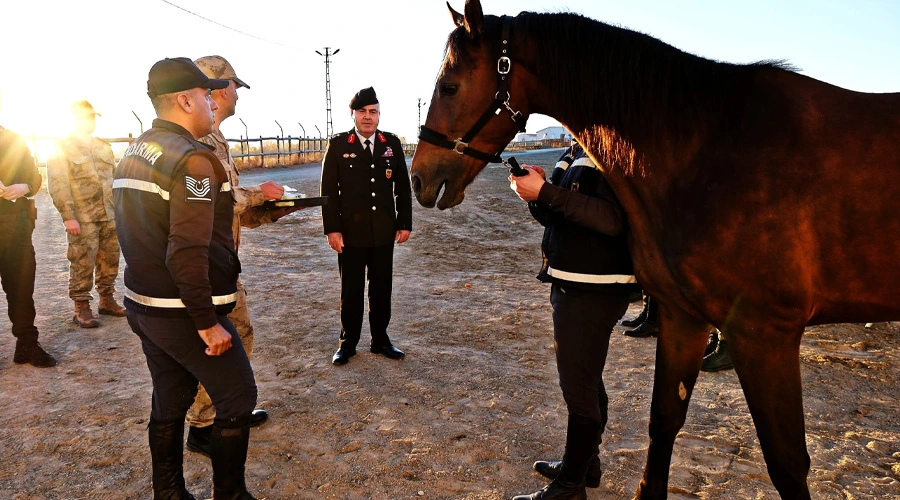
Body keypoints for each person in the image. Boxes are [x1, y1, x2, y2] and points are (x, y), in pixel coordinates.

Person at [114, 57, 258, 499]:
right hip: (181, 309)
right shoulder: (193, 160)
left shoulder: (136, 150)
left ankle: (170, 493)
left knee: (171, 395)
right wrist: (206, 322)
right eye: (205, 94)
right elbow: (188, 250)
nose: (212, 102)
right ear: (183, 100)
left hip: (145, 303)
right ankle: (230, 495)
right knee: (237, 395)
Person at [509, 142, 639, 500]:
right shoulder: (576, 148)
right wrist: (535, 194)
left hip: (594, 288)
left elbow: (612, 219)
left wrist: (547, 191)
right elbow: (560, 215)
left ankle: (570, 487)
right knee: (587, 380)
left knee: (579, 388)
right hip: (576, 283)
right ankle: (583, 466)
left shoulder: (609, 147)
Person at [182, 54, 293, 458]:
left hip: (224, 262)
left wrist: (269, 211)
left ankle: (223, 414)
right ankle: (203, 426)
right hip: (204, 265)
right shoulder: (196, 142)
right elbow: (211, 202)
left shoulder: (217, 140)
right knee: (219, 343)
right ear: (214, 88)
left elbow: (231, 210)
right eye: (233, 86)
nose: (237, 94)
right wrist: (260, 194)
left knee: (238, 337)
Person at [320, 87, 412, 366]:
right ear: (353, 114)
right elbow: (328, 191)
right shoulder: (339, 145)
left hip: (383, 230)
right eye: (362, 112)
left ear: (379, 115)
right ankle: (347, 344)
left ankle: (380, 340)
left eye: (373, 112)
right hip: (350, 233)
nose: (368, 117)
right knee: (351, 290)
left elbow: (402, 188)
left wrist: (404, 223)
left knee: (381, 288)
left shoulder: (391, 144)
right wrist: (332, 229)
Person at [47, 100, 126, 328]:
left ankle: (107, 300)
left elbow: (114, 179)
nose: (91, 121)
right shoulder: (62, 147)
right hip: (83, 217)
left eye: (93, 117)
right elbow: (58, 183)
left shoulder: (103, 146)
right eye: (86, 117)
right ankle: (81, 306)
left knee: (110, 259)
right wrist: (68, 216)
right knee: (82, 261)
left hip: (109, 213)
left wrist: (119, 209)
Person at [0, 93, 57, 368]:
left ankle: (27, 344)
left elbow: (34, 177)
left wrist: (24, 187)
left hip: (16, 225)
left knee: (21, 287)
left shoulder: (13, 140)